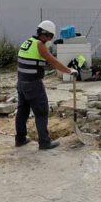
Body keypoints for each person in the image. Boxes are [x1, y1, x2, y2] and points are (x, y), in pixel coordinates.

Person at [15, 20, 77, 150]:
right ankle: (44, 142)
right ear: (46, 34)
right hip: (33, 84)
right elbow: (53, 61)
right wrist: (69, 70)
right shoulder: (39, 45)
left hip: (21, 82)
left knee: (22, 112)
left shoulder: (27, 42)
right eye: (51, 37)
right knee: (41, 112)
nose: (50, 40)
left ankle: (20, 139)